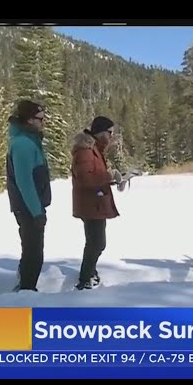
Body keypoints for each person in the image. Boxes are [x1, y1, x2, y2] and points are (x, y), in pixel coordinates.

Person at [71, 115, 125, 290]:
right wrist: (109, 176)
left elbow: (95, 176)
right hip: (90, 205)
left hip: (96, 203)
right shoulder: (85, 151)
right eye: (110, 132)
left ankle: (89, 274)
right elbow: (85, 179)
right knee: (96, 243)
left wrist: (114, 179)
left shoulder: (94, 149)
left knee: (96, 243)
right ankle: (85, 279)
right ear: (101, 132)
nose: (111, 136)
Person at [6, 99, 51, 292]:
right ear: (30, 120)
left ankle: (26, 288)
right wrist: (36, 212)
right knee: (33, 254)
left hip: (31, 206)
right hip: (28, 208)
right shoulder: (23, 144)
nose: (43, 122)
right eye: (40, 118)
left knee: (32, 251)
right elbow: (24, 181)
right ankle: (26, 292)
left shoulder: (30, 140)